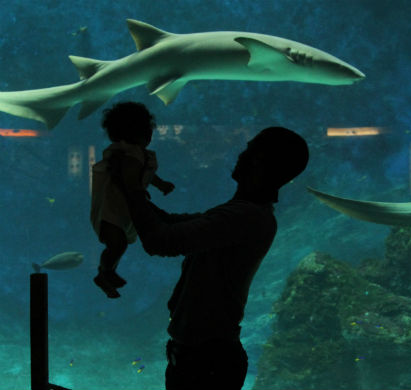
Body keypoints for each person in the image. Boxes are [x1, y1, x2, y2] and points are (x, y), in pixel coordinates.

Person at [110, 126, 309, 390]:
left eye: (249, 151)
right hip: (202, 359)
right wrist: (133, 190)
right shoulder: (243, 214)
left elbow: (162, 240)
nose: (241, 155)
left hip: (207, 364)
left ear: (260, 162)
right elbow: (170, 223)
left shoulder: (245, 217)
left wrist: (132, 189)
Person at [90, 102, 175, 299]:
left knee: (118, 244)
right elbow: (130, 175)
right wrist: (137, 192)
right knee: (117, 243)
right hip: (113, 207)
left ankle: (108, 272)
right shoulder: (129, 154)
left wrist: (160, 184)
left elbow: (144, 173)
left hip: (122, 208)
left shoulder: (137, 154)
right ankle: (104, 274)